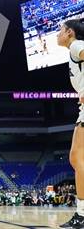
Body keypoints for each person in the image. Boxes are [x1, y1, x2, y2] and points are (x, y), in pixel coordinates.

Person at [57, 18, 84, 229]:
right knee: (77, 158)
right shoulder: (73, 49)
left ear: (70, 33)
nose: (57, 34)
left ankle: (82, 215)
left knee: (77, 158)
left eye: (60, 30)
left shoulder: (76, 45)